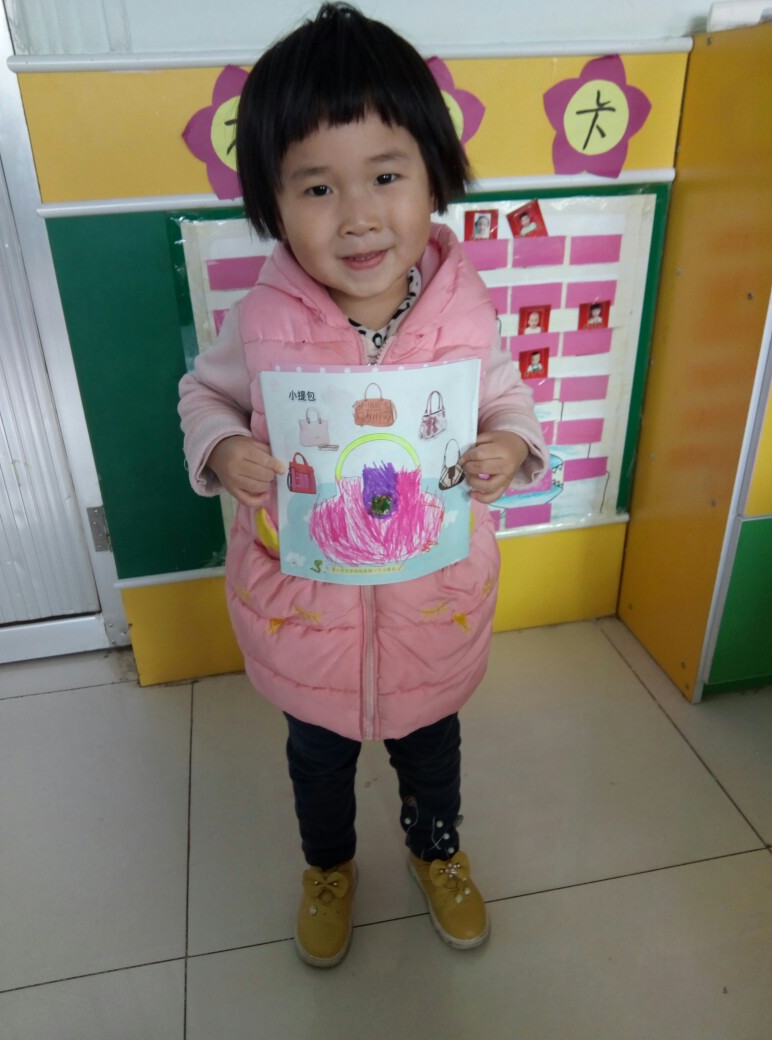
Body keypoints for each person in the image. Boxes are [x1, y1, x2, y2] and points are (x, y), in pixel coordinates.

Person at [178, 2, 548, 969]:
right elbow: (202, 393)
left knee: (433, 750)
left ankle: (437, 851)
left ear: (434, 174)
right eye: (316, 187)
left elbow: (509, 402)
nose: (357, 216)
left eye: (386, 176)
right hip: (306, 619)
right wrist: (222, 447)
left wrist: (508, 447)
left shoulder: (466, 313)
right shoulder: (262, 320)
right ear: (271, 203)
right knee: (317, 762)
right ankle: (328, 867)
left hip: (433, 609)